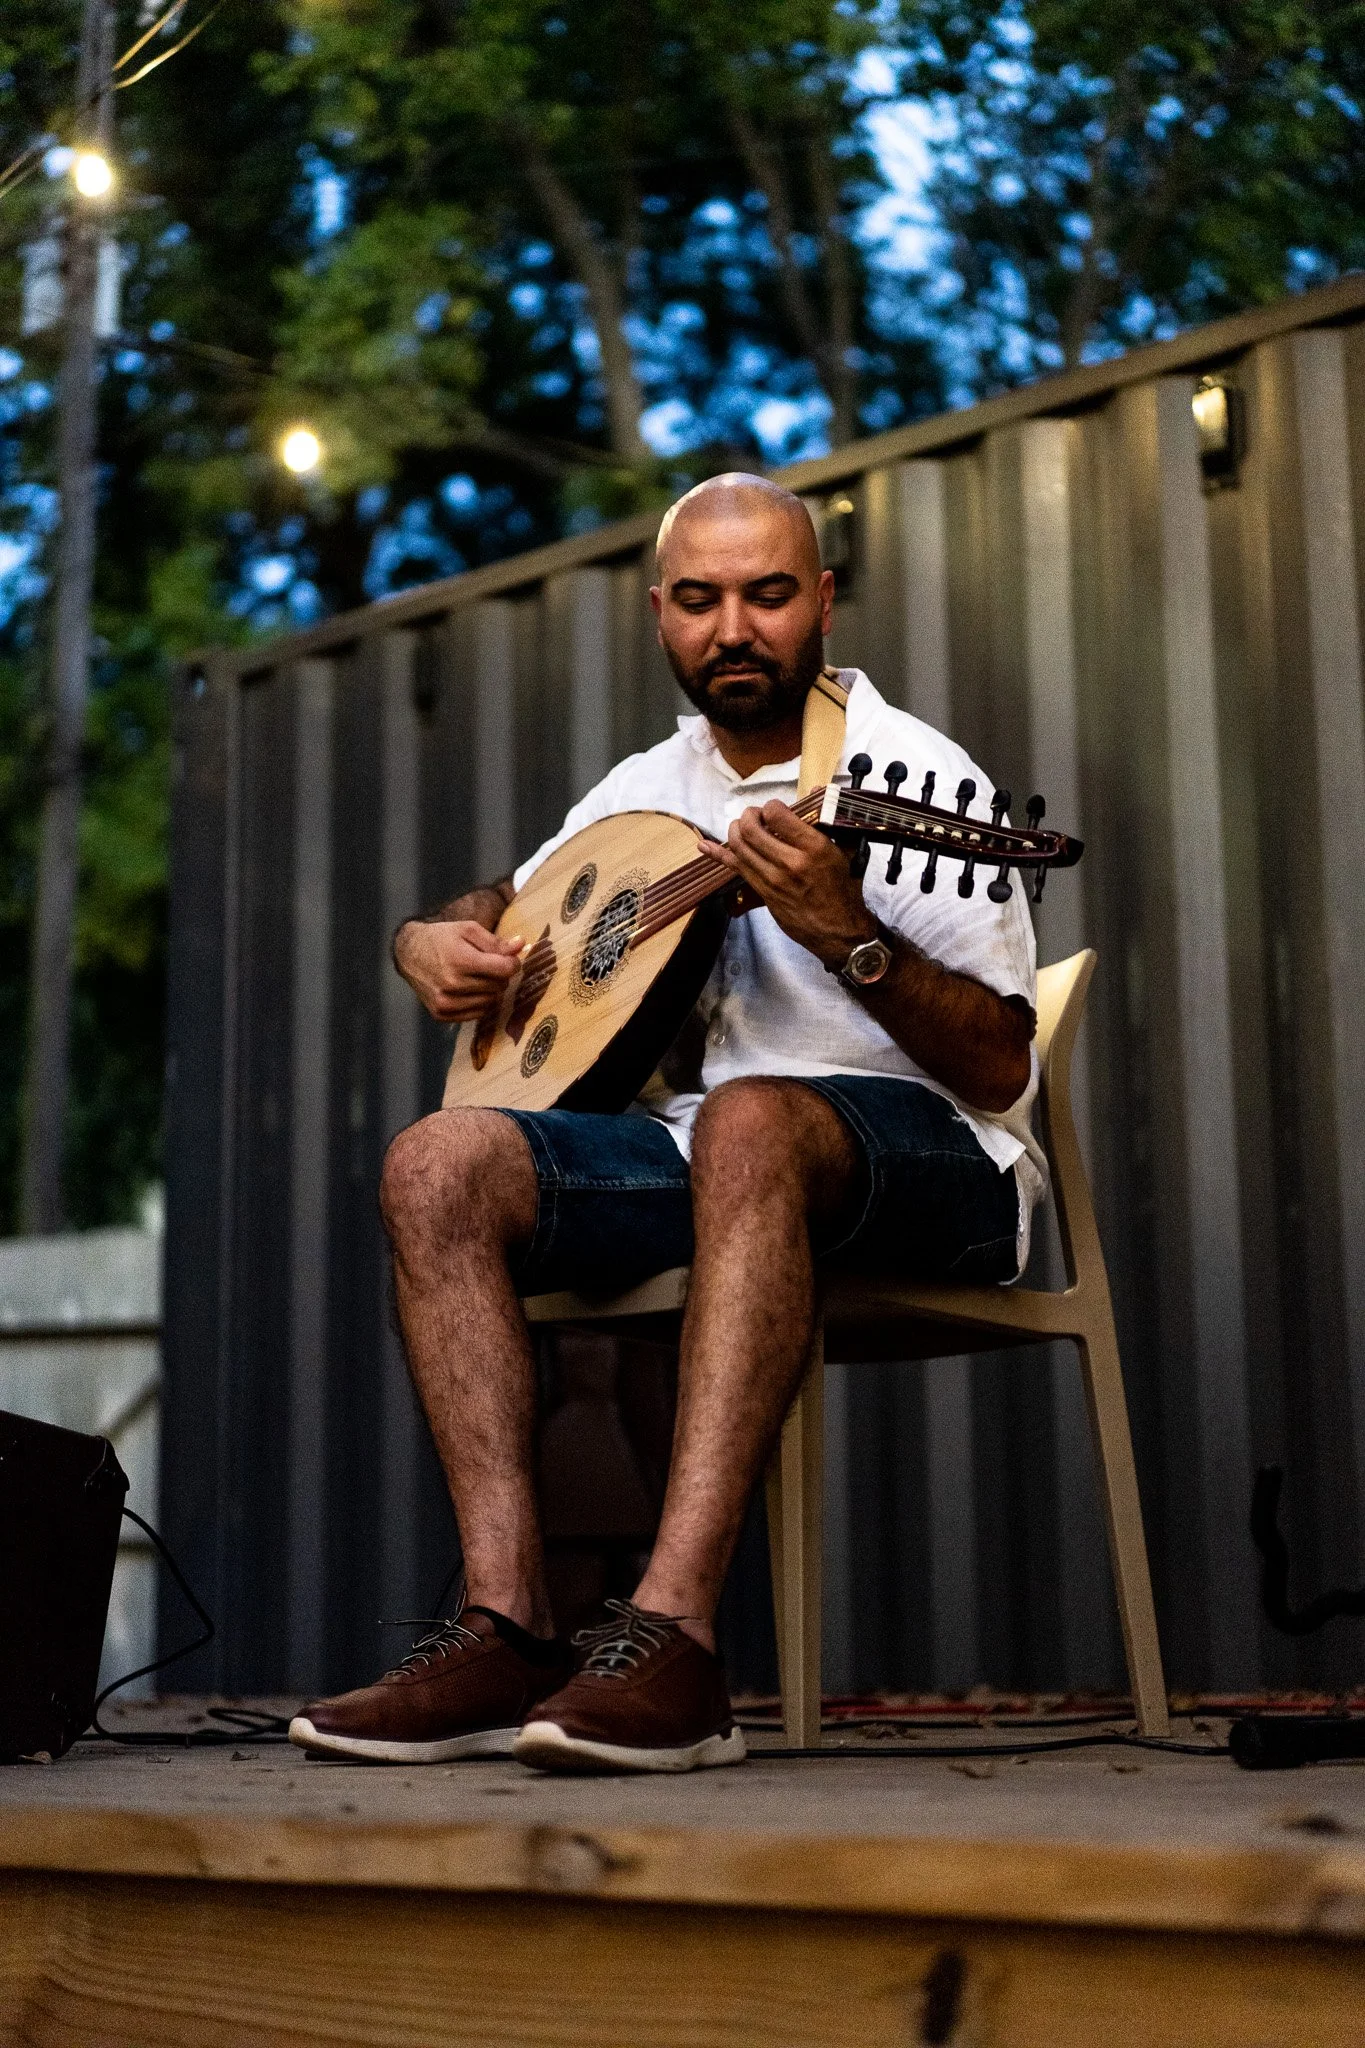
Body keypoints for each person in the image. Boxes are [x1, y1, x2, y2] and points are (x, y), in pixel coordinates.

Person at [289, 473, 1043, 1774]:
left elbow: (998, 1063)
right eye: (699, 601)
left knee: (752, 1119)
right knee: (438, 1163)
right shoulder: (648, 789)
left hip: (936, 1158)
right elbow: (527, 904)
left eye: (763, 596)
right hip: (700, 1156)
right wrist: (434, 938)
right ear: (660, 616)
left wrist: (851, 940)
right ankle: (508, 1624)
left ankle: (674, 1638)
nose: (732, 629)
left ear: (819, 600)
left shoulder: (912, 779)